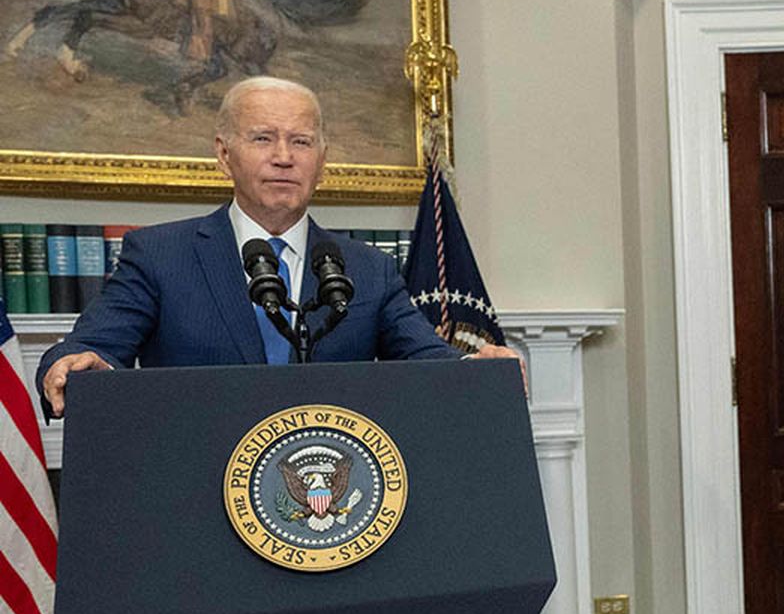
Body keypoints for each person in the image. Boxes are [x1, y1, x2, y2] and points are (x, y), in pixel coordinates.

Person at [39, 76, 518, 415]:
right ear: (225, 155)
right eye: (263, 138)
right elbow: (92, 347)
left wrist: (474, 367)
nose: (284, 158)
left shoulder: (369, 270)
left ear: (323, 160)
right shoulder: (159, 255)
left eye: (302, 142)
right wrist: (75, 362)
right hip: (196, 490)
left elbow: (428, 361)